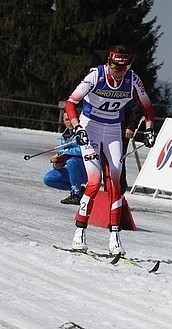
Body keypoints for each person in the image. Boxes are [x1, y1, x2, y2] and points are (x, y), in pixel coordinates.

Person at [64, 44, 155, 255]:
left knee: (114, 184)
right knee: (94, 182)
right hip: (90, 127)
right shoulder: (96, 75)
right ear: (109, 62)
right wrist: (77, 127)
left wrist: (149, 130)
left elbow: (148, 107)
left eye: (123, 68)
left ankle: (115, 239)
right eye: (115, 67)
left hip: (114, 129)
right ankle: (79, 234)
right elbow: (71, 103)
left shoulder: (133, 79)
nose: (119, 72)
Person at [43, 112, 87, 205]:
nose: (69, 122)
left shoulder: (83, 132)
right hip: (72, 170)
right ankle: (78, 189)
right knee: (48, 178)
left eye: (71, 119)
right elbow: (63, 154)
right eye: (67, 120)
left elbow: (83, 150)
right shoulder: (65, 135)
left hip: (86, 168)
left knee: (72, 161)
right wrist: (58, 162)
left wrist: (64, 153)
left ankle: (76, 194)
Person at [120, 102, 143, 191]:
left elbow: (138, 108)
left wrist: (131, 126)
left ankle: (120, 186)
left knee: (119, 157)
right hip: (108, 125)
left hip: (123, 127)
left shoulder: (133, 89)